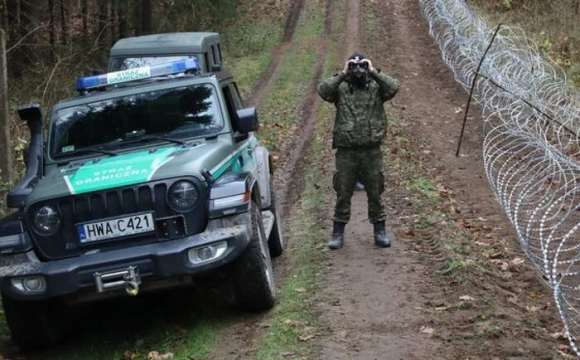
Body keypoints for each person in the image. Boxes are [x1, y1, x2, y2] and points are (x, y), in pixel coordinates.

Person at [317, 53, 400, 249]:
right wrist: (343, 72)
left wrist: (373, 70)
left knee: (375, 191)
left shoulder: (376, 87)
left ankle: (380, 230)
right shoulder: (342, 88)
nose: (358, 70)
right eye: (354, 66)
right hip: (347, 151)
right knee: (343, 192)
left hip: (371, 150)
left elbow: (394, 87)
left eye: (361, 66)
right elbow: (323, 91)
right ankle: (338, 233)